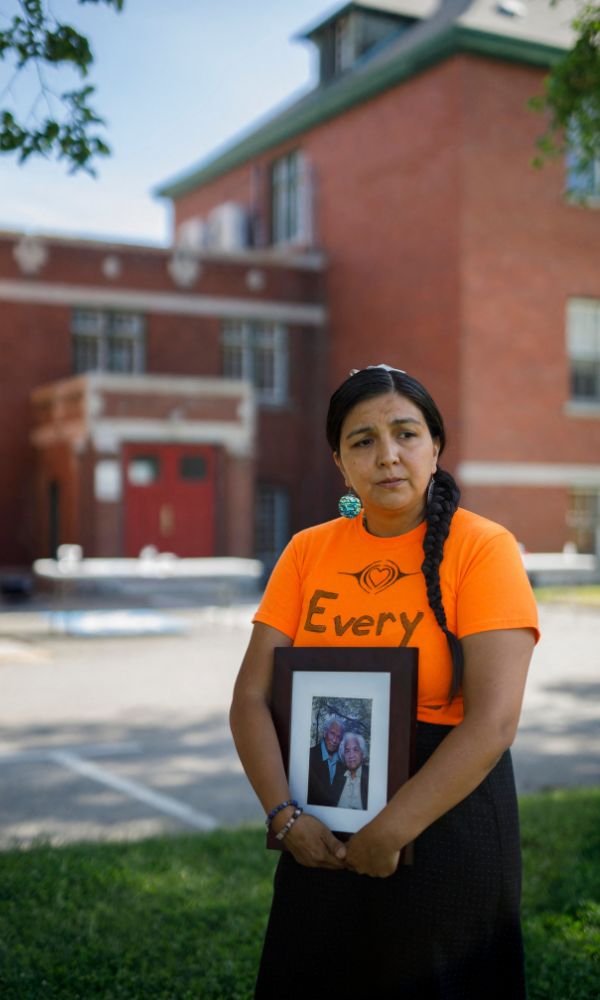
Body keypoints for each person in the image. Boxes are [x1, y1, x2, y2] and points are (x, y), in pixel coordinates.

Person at [230, 364, 539, 998]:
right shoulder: (307, 550)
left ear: (436, 447)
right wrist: (286, 818)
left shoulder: (483, 548)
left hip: (447, 817)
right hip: (319, 821)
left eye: (406, 433)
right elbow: (250, 700)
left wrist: (392, 829)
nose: (387, 456)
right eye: (362, 440)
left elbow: (494, 722)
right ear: (340, 463)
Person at [307, 714, 346, 806]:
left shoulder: (343, 763)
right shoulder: (309, 755)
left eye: (339, 737)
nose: (334, 740)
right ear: (325, 732)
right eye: (332, 733)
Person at [337, 732, 369, 810]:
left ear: (362, 753)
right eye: (347, 751)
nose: (351, 755)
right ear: (343, 755)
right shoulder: (337, 779)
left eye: (355, 749)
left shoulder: (371, 777)